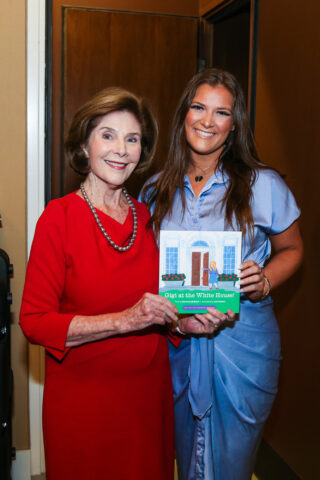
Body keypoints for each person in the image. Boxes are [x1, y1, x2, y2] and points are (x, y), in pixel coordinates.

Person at [141, 69, 303, 480]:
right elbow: (145, 269)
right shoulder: (155, 189)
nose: (207, 121)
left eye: (221, 112)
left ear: (234, 125)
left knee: (234, 459)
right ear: (184, 115)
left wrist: (265, 279)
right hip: (177, 342)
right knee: (182, 450)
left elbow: (293, 248)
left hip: (244, 346)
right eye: (198, 107)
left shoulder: (261, 184)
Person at [19, 87, 179, 480]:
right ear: (85, 145)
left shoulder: (151, 218)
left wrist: (189, 320)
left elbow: (166, 305)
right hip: (84, 405)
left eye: (133, 138)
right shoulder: (58, 219)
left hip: (147, 401)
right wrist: (123, 320)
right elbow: (34, 321)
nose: (120, 150)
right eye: (107, 135)